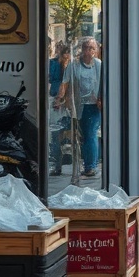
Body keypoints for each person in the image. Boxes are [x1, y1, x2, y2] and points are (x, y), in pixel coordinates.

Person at [56, 37, 103, 178]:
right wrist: (60, 99)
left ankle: (90, 166)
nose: (88, 51)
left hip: (94, 105)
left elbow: (104, 83)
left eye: (91, 48)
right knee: (82, 136)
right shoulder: (74, 65)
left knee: (91, 133)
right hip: (79, 105)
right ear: (81, 49)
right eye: (86, 47)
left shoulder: (99, 65)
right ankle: (87, 163)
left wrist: (101, 99)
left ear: (96, 50)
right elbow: (65, 82)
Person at [48, 42, 71, 176]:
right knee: (60, 134)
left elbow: (51, 80)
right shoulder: (71, 66)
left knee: (56, 134)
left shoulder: (54, 64)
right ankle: (58, 164)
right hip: (65, 102)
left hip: (59, 102)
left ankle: (57, 165)